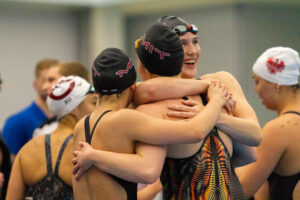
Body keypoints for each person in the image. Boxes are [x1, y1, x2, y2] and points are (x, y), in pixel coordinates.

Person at [72, 23, 261, 199]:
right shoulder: (217, 91)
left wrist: (93, 156)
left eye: (195, 41)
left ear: (143, 67)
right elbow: (250, 154)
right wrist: (214, 107)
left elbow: (149, 169)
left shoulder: (145, 112)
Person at [5, 75, 96, 200]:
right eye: (94, 103)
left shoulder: (26, 151)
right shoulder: (86, 151)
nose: (97, 109)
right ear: (73, 109)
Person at [236, 47, 300, 200]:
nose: (256, 89)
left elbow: (240, 192)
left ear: (276, 83)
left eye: (257, 81)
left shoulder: (280, 129)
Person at [2, 59, 58, 157]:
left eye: (54, 80)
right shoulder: (16, 123)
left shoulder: (66, 120)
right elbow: (8, 165)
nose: (51, 86)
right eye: (45, 80)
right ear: (35, 85)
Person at [32, 61, 89, 138]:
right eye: (44, 81)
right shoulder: (44, 131)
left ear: (73, 81)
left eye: (51, 80)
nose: (44, 87)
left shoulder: (101, 124)